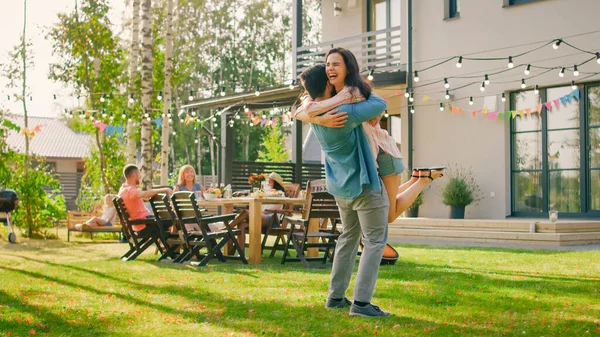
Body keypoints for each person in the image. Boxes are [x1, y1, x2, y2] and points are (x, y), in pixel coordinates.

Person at [295, 47, 444, 224]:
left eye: (336, 64)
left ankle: (422, 181)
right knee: (384, 201)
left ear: (347, 68)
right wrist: (321, 120)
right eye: (328, 65)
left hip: (384, 152)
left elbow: (380, 103)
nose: (330, 68)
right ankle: (416, 178)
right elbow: (298, 110)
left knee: (388, 215)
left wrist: (315, 114)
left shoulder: (356, 92)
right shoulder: (331, 96)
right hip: (370, 155)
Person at [229, 172, 286, 248]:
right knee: (241, 225)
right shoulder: (265, 192)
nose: (268, 182)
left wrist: (257, 213)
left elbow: (273, 209)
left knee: (245, 212)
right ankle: (241, 253)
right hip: (260, 217)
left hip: (272, 220)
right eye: (268, 180)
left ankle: (228, 228)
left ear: (276, 183)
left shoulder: (280, 193)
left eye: (270, 180)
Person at [118, 164, 173, 235]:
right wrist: (166, 189)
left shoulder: (123, 189)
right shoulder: (130, 190)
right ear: (134, 174)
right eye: (139, 174)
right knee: (175, 221)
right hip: (144, 226)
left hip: (140, 224)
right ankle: (175, 244)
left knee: (170, 221)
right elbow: (145, 194)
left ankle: (170, 244)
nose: (140, 176)